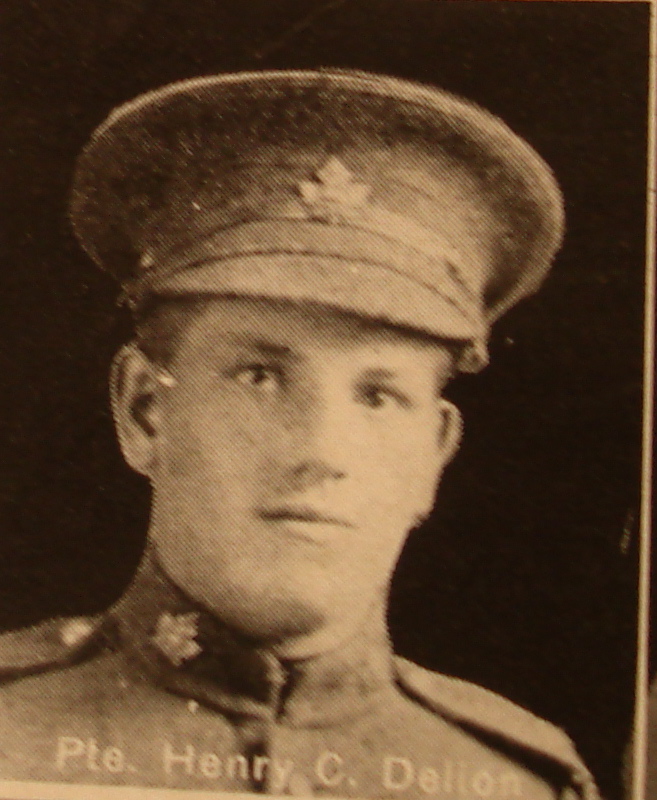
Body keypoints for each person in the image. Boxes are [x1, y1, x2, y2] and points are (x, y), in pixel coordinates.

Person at [0, 69, 599, 799]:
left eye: (378, 396)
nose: (320, 452)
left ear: (432, 456)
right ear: (144, 411)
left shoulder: (514, 784)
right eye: (259, 376)